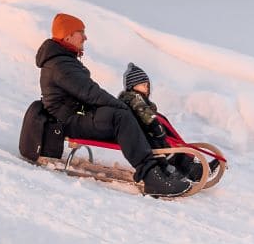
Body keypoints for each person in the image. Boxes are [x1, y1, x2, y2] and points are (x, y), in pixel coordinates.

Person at [37, 15, 193, 197]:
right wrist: (122, 107)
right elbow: (91, 93)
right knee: (121, 117)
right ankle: (151, 177)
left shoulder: (64, 60)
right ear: (68, 36)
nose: (85, 37)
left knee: (134, 114)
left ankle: (176, 163)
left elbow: (90, 95)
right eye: (81, 32)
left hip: (78, 115)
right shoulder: (60, 64)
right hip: (69, 121)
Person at [121, 63, 204, 182]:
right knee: (162, 146)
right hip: (143, 134)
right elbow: (143, 112)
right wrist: (155, 126)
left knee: (168, 144)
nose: (146, 87)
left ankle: (190, 167)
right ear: (132, 86)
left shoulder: (139, 99)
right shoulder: (133, 98)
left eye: (147, 85)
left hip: (145, 132)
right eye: (143, 85)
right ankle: (172, 169)